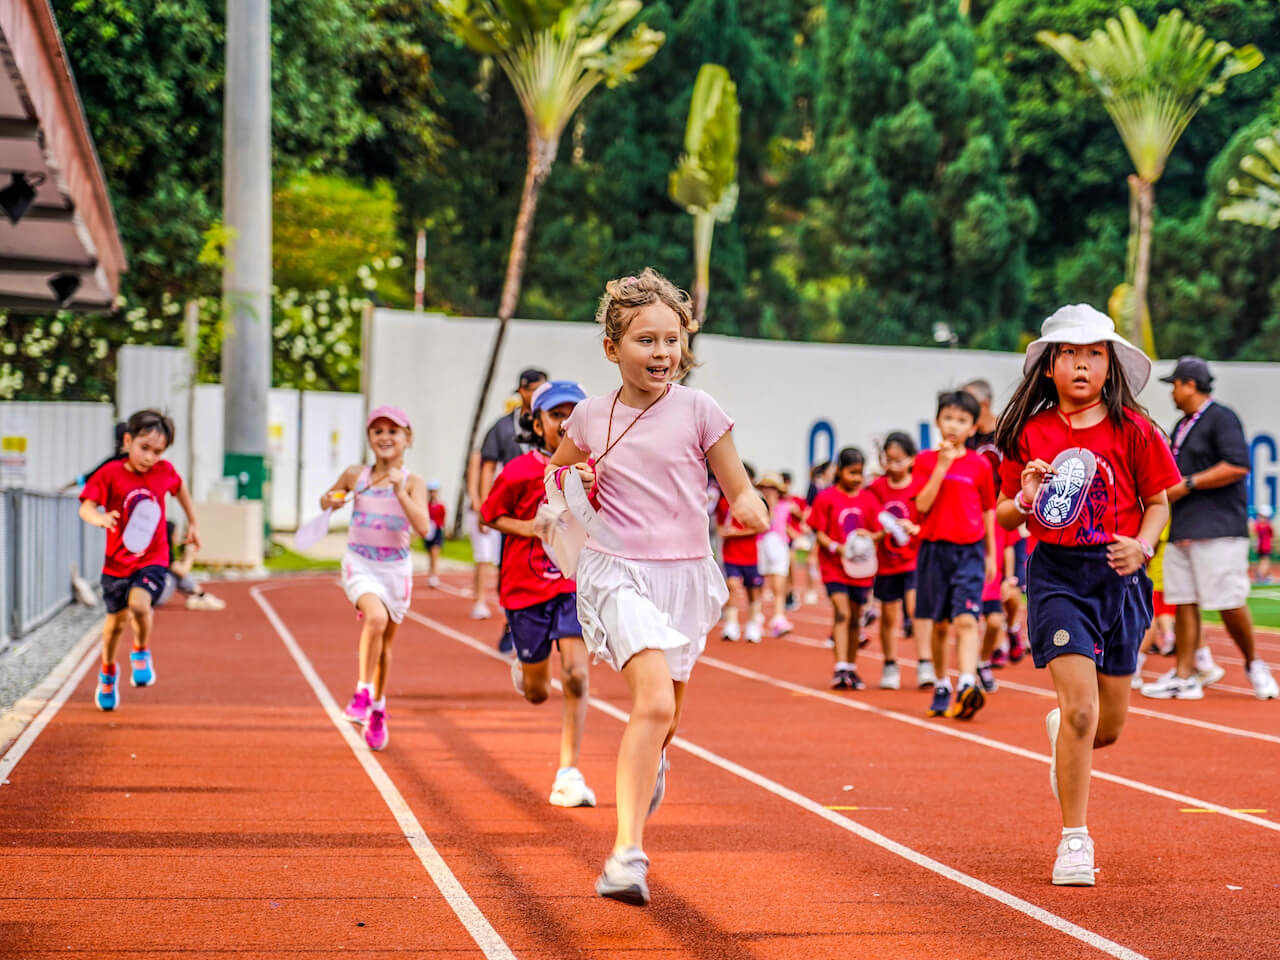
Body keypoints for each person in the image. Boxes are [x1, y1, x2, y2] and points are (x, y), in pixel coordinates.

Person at [546, 269, 766, 906]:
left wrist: (750, 506)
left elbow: (737, 484)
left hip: (686, 576)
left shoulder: (700, 410)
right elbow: (555, 481)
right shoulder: (588, 417)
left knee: (667, 717)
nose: (662, 353)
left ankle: (653, 762)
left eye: (671, 340)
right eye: (646, 340)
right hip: (618, 572)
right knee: (653, 706)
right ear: (613, 348)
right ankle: (625, 856)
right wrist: (570, 490)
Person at [994, 303, 1180, 887]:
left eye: (1093, 354)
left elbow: (1159, 502)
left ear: (1110, 365)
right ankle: (1075, 840)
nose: (1081, 364)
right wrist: (1024, 498)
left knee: (1106, 727)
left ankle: (1064, 731)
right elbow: (1003, 515)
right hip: (1057, 578)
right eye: (1070, 354)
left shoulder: (1137, 430)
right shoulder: (1030, 433)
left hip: (1120, 581)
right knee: (1080, 709)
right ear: (1049, 367)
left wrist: (1143, 548)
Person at [482, 380, 596, 808]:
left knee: (577, 675)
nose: (567, 424)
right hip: (526, 587)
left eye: (575, 414)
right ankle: (526, 668)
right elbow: (490, 515)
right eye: (556, 415)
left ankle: (568, 771)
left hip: (573, 585)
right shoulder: (519, 471)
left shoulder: (595, 471)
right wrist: (530, 527)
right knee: (537, 692)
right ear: (538, 422)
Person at [1141, 356, 1279, 701]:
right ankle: (1185, 675)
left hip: (1217, 527)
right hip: (1183, 527)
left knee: (1229, 601)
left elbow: (1237, 465)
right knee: (1183, 600)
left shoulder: (1221, 418)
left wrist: (1186, 483)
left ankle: (1254, 664)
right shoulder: (1182, 425)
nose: (1172, 391)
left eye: (1175, 384)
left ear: (1190, 384)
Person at [78, 409, 201, 711]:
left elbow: (180, 488)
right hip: (116, 563)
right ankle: (108, 673)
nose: (150, 457)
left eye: (158, 452)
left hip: (153, 557)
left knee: (139, 605)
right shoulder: (109, 474)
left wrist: (193, 523)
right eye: (144, 449)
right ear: (127, 440)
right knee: (114, 626)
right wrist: (100, 518)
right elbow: (86, 507)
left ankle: (141, 651)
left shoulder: (163, 471)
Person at [333, 406, 433, 751]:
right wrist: (332, 499)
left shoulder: (412, 482)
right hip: (360, 563)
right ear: (369, 440)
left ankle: (377, 707)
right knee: (374, 618)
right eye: (378, 431)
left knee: (385, 645)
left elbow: (423, 528)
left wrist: (400, 492)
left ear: (407, 439)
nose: (385, 437)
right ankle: (362, 692)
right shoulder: (355, 474)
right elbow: (330, 497)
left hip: (396, 570)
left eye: (393, 431)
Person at [913, 391, 998, 718]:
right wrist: (942, 466)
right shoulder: (924, 461)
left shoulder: (980, 466)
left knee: (966, 619)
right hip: (935, 550)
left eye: (962, 420)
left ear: (973, 426)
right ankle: (941, 682)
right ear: (938, 420)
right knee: (939, 624)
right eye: (948, 418)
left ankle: (966, 682)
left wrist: (990, 555)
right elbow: (921, 505)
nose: (954, 425)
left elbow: (988, 511)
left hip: (970, 552)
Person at [473, 369, 549, 646]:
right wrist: (483, 504)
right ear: (522, 391)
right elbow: (487, 464)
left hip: (549, 507)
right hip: (515, 509)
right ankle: (511, 621)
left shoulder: (557, 421)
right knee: (510, 567)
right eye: (533, 389)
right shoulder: (503, 426)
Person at [808, 447, 881, 690]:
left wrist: (869, 536)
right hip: (834, 567)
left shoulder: (868, 499)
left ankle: (850, 666)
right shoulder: (826, 497)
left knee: (854, 619)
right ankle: (840, 667)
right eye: (851, 472)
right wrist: (836, 548)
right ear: (839, 471)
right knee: (842, 612)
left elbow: (879, 531)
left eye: (860, 473)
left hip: (860, 569)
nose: (857, 478)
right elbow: (818, 532)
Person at [867, 432, 923, 690]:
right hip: (887, 562)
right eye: (888, 460)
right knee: (889, 616)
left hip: (914, 559)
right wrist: (880, 533)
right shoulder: (877, 489)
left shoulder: (920, 485)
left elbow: (928, 518)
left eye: (899, 461)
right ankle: (890, 663)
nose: (893, 466)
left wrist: (914, 528)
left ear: (911, 459)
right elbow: (869, 521)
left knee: (916, 610)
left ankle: (925, 662)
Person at [718, 463, 764, 643]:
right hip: (731, 554)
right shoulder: (724, 502)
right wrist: (724, 532)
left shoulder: (755, 502)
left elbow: (762, 526)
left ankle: (753, 625)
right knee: (732, 586)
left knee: (753, 591)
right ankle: (731, 623)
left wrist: (737, 533)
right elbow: (720, 525)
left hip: (750, 555)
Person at [756, 472, 795, 638]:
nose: (770, 491)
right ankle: (756, 617)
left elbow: (796, 522)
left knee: (779, 585)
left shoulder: (787, 506)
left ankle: (778, 618)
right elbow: (765, 524)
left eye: (773, 487)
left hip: (779, 545)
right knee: (757, 585)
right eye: (767, 487)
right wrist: (769, 506)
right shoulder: (758, 506)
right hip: (761, 544)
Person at [424, 481, 446, 588]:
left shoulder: (441, 506)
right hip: (428, 531)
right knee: (430, 554)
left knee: (434, 553)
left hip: (437, 531)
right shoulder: (426, 505)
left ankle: (434, 575)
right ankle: (431, 574)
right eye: (431, 491)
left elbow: (443, 520)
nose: (433, 493)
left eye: (434, 491)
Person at [1255, 505, 1274, 584]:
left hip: (1263, 547)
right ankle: (1260, 575)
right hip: (1264, 547)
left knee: (1265, 561)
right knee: (1265, 561)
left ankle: (1265, 575)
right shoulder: (1265, 526)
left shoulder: (1260, 526)